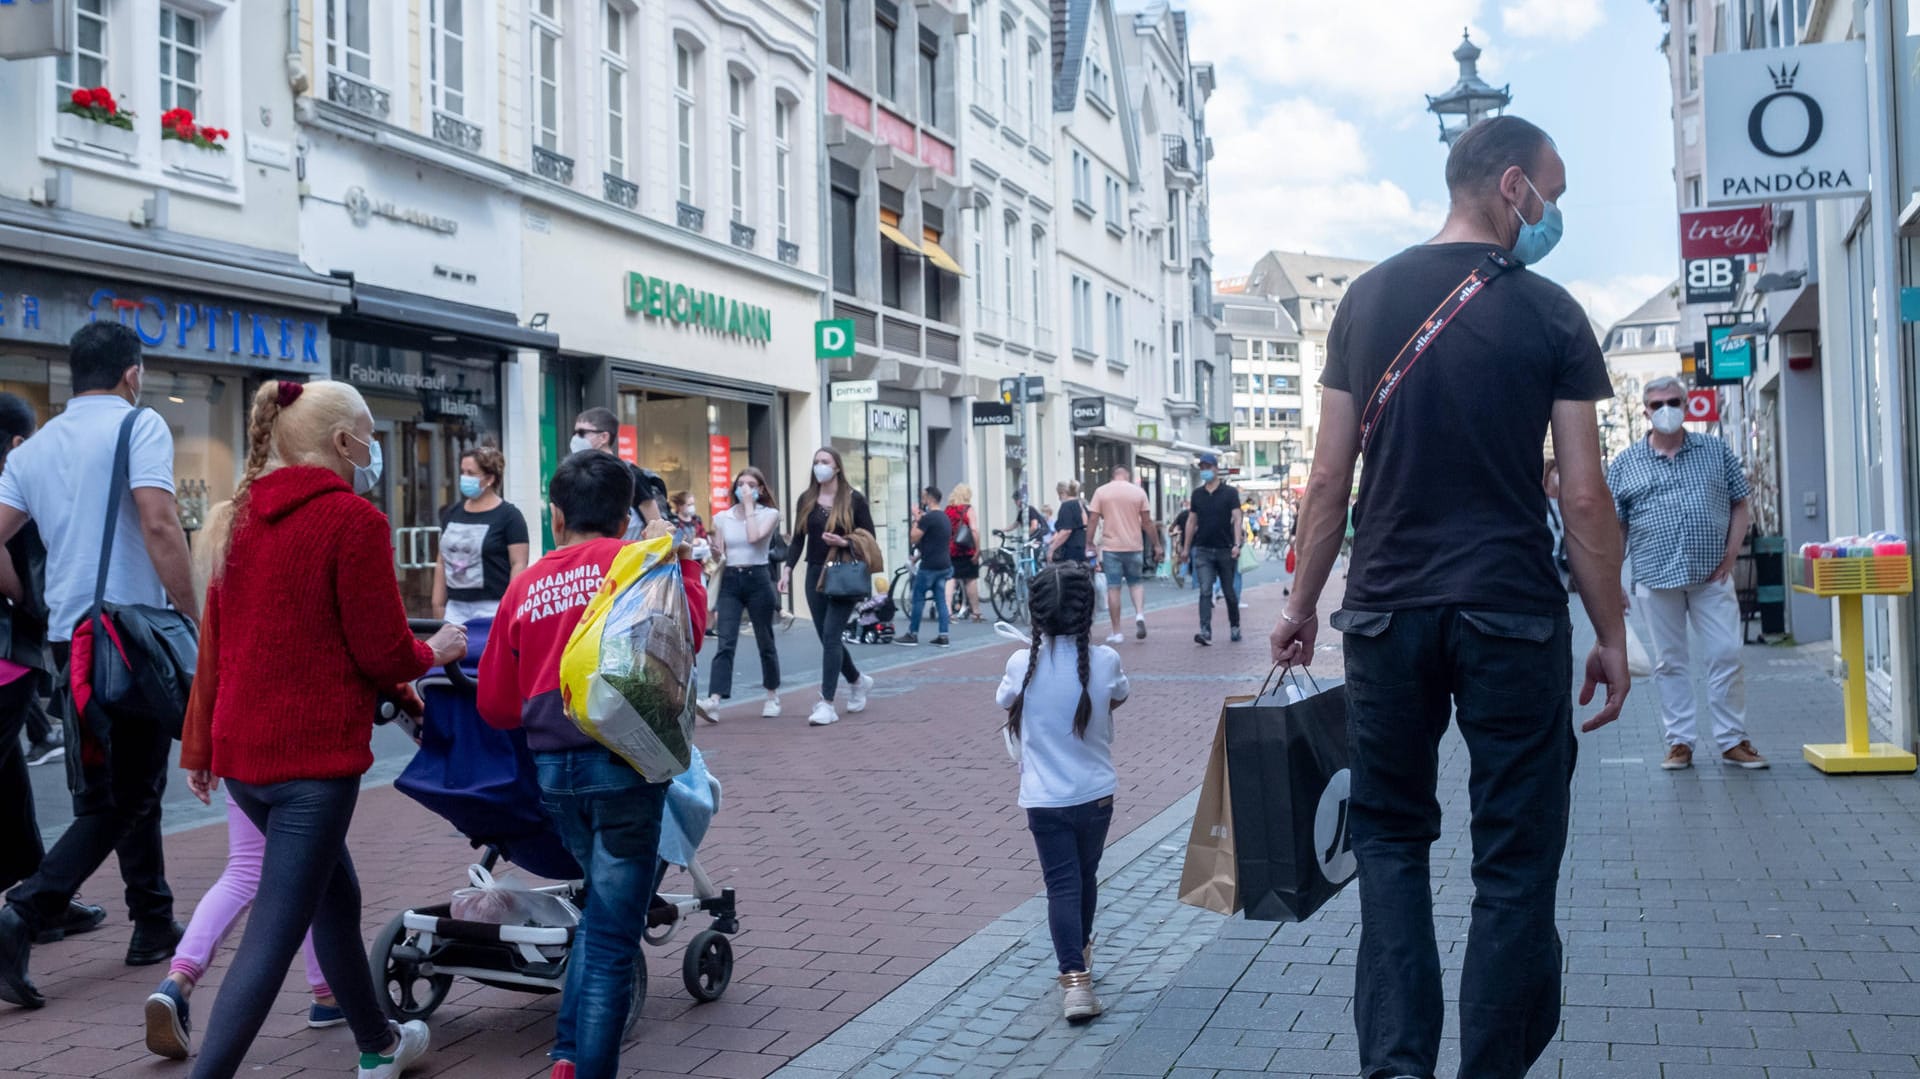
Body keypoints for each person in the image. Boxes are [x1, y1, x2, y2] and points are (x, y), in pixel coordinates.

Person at [1268, 116, 1629, 1079]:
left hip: (1385, 614)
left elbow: (1326, 479)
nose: (1556, 211)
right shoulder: (1552, 314)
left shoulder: (1366, 300)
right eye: (1553, 190)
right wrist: (1611, 631)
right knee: (1514, 860)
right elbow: (1584, 494)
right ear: (1512, 185)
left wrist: (1302, 605)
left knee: (1390, 841)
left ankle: (1396, 1066)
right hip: (1511, 611)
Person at [176, 379, 465, 1078]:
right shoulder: (353, 521)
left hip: (247, 759)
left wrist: (201, 746)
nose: (372, 447)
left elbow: (218, 643)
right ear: (342, 443)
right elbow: (382, 650)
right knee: (273, 935)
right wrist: (438, 651)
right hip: (313, 764)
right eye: (367, 435)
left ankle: (379, 1044)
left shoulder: (236, 518)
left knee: (334, 896)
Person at [478, 449, 707, 1079]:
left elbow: (497, 703)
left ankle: (568, 1056)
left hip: (555, 774)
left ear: (555, 514)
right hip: (626, 763)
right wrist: (680, 560)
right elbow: (689, 630)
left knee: (599, 919)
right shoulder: (638, 563)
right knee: (610, 934)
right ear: (625, 512)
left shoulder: (524, 586)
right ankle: (583, 1066)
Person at [0, 322, 200, 1009]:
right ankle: (26, 909)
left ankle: (151, 919)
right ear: (132, 373)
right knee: (125, 793)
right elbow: (158, 521)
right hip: (128, 631)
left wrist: (25, 595)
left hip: (67, 637)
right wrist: (194, 610)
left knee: (122, 783)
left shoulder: (39, 445)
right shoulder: (137, 427)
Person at [995, 561, 1129, 1022]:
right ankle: (1082, 958)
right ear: (1086, 609)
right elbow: (1119, 695)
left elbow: (1004, 701)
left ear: (1035, 613)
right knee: (1086, 877)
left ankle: (1075, 982)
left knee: (1061, 885)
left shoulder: (1020, 664)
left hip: (1044, 799)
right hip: (1096, 794)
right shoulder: (1105, 661)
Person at [1610, 376, 1764, 771]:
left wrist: (1730, 557)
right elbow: (1617, 527)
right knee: (1670, 661)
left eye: (1673, 401)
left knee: (1726, 653)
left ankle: (1733, 740)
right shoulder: (1626, 464)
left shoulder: (1715, 451)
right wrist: (1613, 579)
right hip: (1654, 576)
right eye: (1657, 403)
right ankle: (1679, 741)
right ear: (1645, 410)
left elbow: (1740, 504)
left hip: (1710, 574)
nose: (1666, 409)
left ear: (1687, 402)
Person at [0, 394, 82, 932]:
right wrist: (23, 598)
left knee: (11, 778)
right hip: (8, 656)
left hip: (13, 657)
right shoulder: (13, 485)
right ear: (16, 442)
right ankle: (41, 900)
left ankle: (41, 896)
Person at [781, 448, 875, 727]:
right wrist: (786, 569)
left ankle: (827, 703)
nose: (819, 466)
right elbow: (798, 539)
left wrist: (844, 542)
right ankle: (858, 680)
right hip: (815, 574)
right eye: (816, 462)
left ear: (837, 467)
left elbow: (869, 536)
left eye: (825, 462)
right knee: (826, 637)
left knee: (832, 636)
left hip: (844, 572)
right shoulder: (807, 499)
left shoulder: (854, 499)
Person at [699, 467, 783, 720]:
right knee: (726, 640)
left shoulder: (770, 514)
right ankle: (715, 698)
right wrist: (714, 552)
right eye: (741, 483)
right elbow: (721, 552)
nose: (745, 488)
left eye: (751, 484)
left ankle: (772, 694)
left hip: (758, 578)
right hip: (731, 580)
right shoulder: (723, 517)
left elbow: (755, 537)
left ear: (761, 489)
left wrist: (748, 507)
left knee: (765, 640)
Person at [432, 446, 530, 625]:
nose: (464, 477)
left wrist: (510, 608)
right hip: (455, 608)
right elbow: (441, 561)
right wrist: (438, 605)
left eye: (471, 473)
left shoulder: (509, 516)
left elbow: (519, 564)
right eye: (462, 472)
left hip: (492, 607)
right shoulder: (452, 513)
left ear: (490, 479)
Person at [1085, 465, 1160, 645]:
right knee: (1136, 583)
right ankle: (1140, 615)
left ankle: (1117, 631)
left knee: (1114, 587)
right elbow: (1147, 522)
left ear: (1113, 475)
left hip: (1112, 547)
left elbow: (1093, 519)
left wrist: (1089, 543)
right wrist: (1157, 544)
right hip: (1134, 546)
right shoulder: (1138, 493)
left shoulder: (1101, 492)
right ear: (1128, 476)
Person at [569, 408, 669, 538]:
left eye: (582, 433)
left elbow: (656, 525)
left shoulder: (629, 474)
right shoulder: (579, 474)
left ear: (604, 437)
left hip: (632, 555)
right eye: (574, 433)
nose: (576, 438)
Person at [1185, 454, 1245, 645]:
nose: (1205, 470)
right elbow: (1191, 521)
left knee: (1228, 591)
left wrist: (1237, 544)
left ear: (1216, 468)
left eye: (1208, 466)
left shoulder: (1229, 493)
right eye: (1202, 466)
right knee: (1204, 590)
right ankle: (1205, 630)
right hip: (1202, 549)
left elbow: (1237, 519)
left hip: (1225, 549)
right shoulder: (1197, 494)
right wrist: (1186, 548)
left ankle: (1235, 626)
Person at [901, 486, 952, 647]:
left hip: (929, 566)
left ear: (929, 498)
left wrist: (916, 518)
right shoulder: (944, 518)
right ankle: (943, 636)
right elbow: (934, 543)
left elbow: (913, 538)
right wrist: (916, 558)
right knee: (941, 601)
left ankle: (912, 634)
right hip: (944, 565)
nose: (922, 499)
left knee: (918, 599)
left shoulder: (928, 518)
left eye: (924, 496)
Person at [945, 483, 982, 623]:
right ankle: (976, 612)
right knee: (970, 579)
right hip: (966, 549)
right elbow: (974, 530)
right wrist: (977, 549)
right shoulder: (968, 509)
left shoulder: (948, 510)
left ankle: (948, 611)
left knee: (950, 579)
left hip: (950, 549)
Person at [1543, 456, 1571, 592]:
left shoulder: (1566, 501)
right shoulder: (1541, 501)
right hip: (1547, 555)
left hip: (1563, 555)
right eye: (1555, 472)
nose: (1558, 476)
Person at [1049, 482, 1088, 566]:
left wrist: (1052, 549)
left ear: (1062, 493)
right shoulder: (1081, 504)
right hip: (1084, 546)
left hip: (1071, 549)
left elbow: (1066, 530)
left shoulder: (1067, 506)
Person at [1168, 497, 1192, 588]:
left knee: (1185, 559)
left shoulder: (1181, 515)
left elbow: (1171, 527)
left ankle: (1182, 575)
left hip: (1183, 540)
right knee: (1197, 562)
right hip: (1196, 540)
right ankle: (1196, 583)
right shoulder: (1196, 515)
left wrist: (1176, 532)